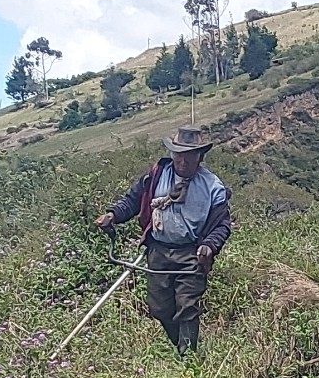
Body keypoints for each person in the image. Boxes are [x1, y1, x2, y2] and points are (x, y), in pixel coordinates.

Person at [97, 126, 232, 353]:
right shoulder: (157, 175)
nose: (183, 161)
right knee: (160, 308)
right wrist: (113, 215)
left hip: (191, 254)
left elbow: (222, 225)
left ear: (200, 157)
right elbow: (132, 200)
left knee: (187, 306)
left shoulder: (213, 187)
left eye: (189, 156)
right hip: (158, 251)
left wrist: (209, 246)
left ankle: (188, 358)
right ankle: (181, 345)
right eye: (178, 154)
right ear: (172, 153)